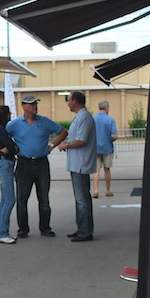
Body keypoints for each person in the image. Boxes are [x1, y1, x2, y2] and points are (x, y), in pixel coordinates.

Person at [6, 94, 67, 239]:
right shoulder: (14, 124)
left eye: (35, 104)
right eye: (31, 104)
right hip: (24, 164)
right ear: (23, 106)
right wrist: (12, 147)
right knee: (22, 199)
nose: (35, 107)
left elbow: (63, 132)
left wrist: (52, 146)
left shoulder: (44, 122)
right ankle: (23, 229)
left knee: (44, 198)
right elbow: (2, 136)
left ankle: (45, 228)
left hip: (41, 163)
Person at [59, 91, 97, 242]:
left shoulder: (84, 118)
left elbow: (81, 140)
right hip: (77, 164)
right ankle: (82, 228)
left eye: (68, 100)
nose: (67, 103)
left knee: (82, 200)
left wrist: (66, 145)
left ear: (75, 101)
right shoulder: (80, 117)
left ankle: (85, 231)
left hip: (81, 164)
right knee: (81, 199)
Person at [0, 105, 19, 244]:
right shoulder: (0, 129)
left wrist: (10, 148)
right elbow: (12, 147)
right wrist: (11, 148)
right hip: (4, 163)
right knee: (9, 200)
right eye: (8, 114)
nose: (10, 117)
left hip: (2, 163)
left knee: (4, 201)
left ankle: (0, 232)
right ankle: (2, 233)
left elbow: (11, 147)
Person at [92, 100, 118, 198]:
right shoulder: (110, 120)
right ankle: (107, 190)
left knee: (96, 170)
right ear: (106, 108)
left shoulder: (93, 119)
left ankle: (96, 190)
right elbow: (115, 136)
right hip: (107, 148)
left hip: (95, 148)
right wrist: (110, 139)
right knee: (107, 169)